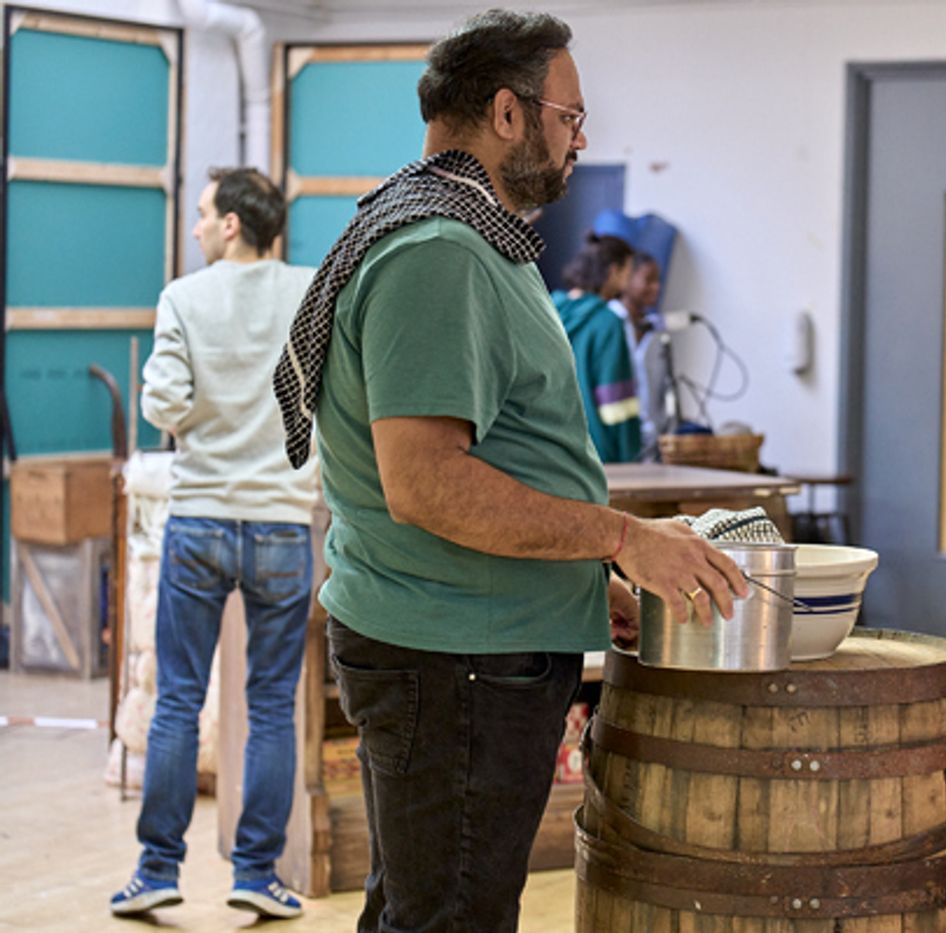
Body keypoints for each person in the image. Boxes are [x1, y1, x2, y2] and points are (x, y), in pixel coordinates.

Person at [270, 11, 746, 931]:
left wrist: (575, 572)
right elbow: (428, 484)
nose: (579, 142)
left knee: (426, 906)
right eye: (570, 119)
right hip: (455, 661)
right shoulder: (438, 252)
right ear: (505, 112)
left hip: (469, 645)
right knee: (451, 915)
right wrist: (619, 537)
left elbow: (500, 458)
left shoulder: (473, 234)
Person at [112, 168, 317, 920]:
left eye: (202, 215)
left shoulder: (183, 297)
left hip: (199, 518)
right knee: (270, 705)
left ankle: (158, 867)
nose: (195, 227)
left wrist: (206, 406)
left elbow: (164, 401)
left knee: (178, 701)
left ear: (232, 223)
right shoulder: (310, 289)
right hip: (284, 523)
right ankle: (257, 872)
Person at [552, 232, 642, 461]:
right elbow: (616, 401)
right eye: (627, 273)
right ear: (613, 272)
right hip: (596, 455)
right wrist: (631, 456)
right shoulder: (607, 322)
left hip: (547, 450)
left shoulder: (547, 310)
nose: (628, 281)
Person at [610, 251, 668, 458]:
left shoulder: (657, 330)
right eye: (648, 279)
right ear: (626, 279)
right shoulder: (608, 323)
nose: (656, 287)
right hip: (618, 443)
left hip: (654, 444)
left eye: (658, 280)